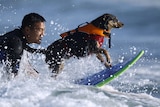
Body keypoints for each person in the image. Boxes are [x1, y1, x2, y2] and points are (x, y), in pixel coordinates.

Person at [0, 12, 46, 77]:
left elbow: (27, 68)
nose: (43, 34)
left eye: (43, 30)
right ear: (27, 30)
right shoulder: (16, 44)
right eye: (39, 30)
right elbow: (11, 76)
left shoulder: (19, 39)